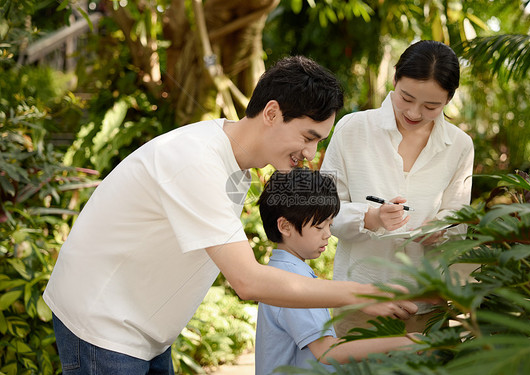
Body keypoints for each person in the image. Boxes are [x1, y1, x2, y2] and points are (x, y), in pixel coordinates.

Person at [43, 55, 418, 374]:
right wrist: (366, 293)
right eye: (308, 137)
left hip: (146, 329)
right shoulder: (197, 161)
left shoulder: (235, 165)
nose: (311, 153)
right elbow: (249, 281)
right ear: (272, 112)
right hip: (103, 328)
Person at [320, 40, 475, 336]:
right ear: (394, 80)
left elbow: (459, 221)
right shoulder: (352, 129)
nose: (415, 113)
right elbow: (324, 212)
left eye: (431, 106)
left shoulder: (459, 146)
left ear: (448, 100)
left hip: (426, 305)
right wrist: (370, 218)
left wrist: (442, 228)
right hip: (360, 302)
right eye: (406, 97)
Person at [255, 168, 419, 374]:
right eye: (319, 227)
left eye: (330, 225)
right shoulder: (292, 280)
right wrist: (406, 342)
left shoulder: (285, 270)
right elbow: (328, 351)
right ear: (285, 226)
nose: (328, 235)